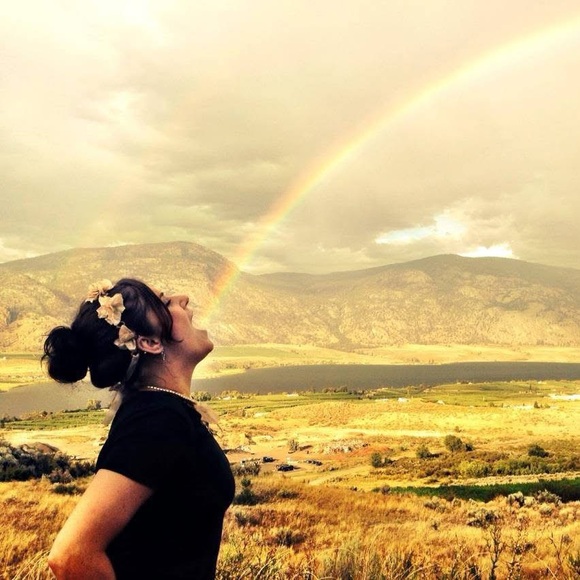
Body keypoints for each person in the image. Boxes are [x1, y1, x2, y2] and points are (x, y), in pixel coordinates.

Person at [43, 278, 235, 579]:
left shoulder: (162, 411)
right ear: (149, 342)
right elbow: (69, 555)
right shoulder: (157, 419)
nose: (183, 298)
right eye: (165, 302)